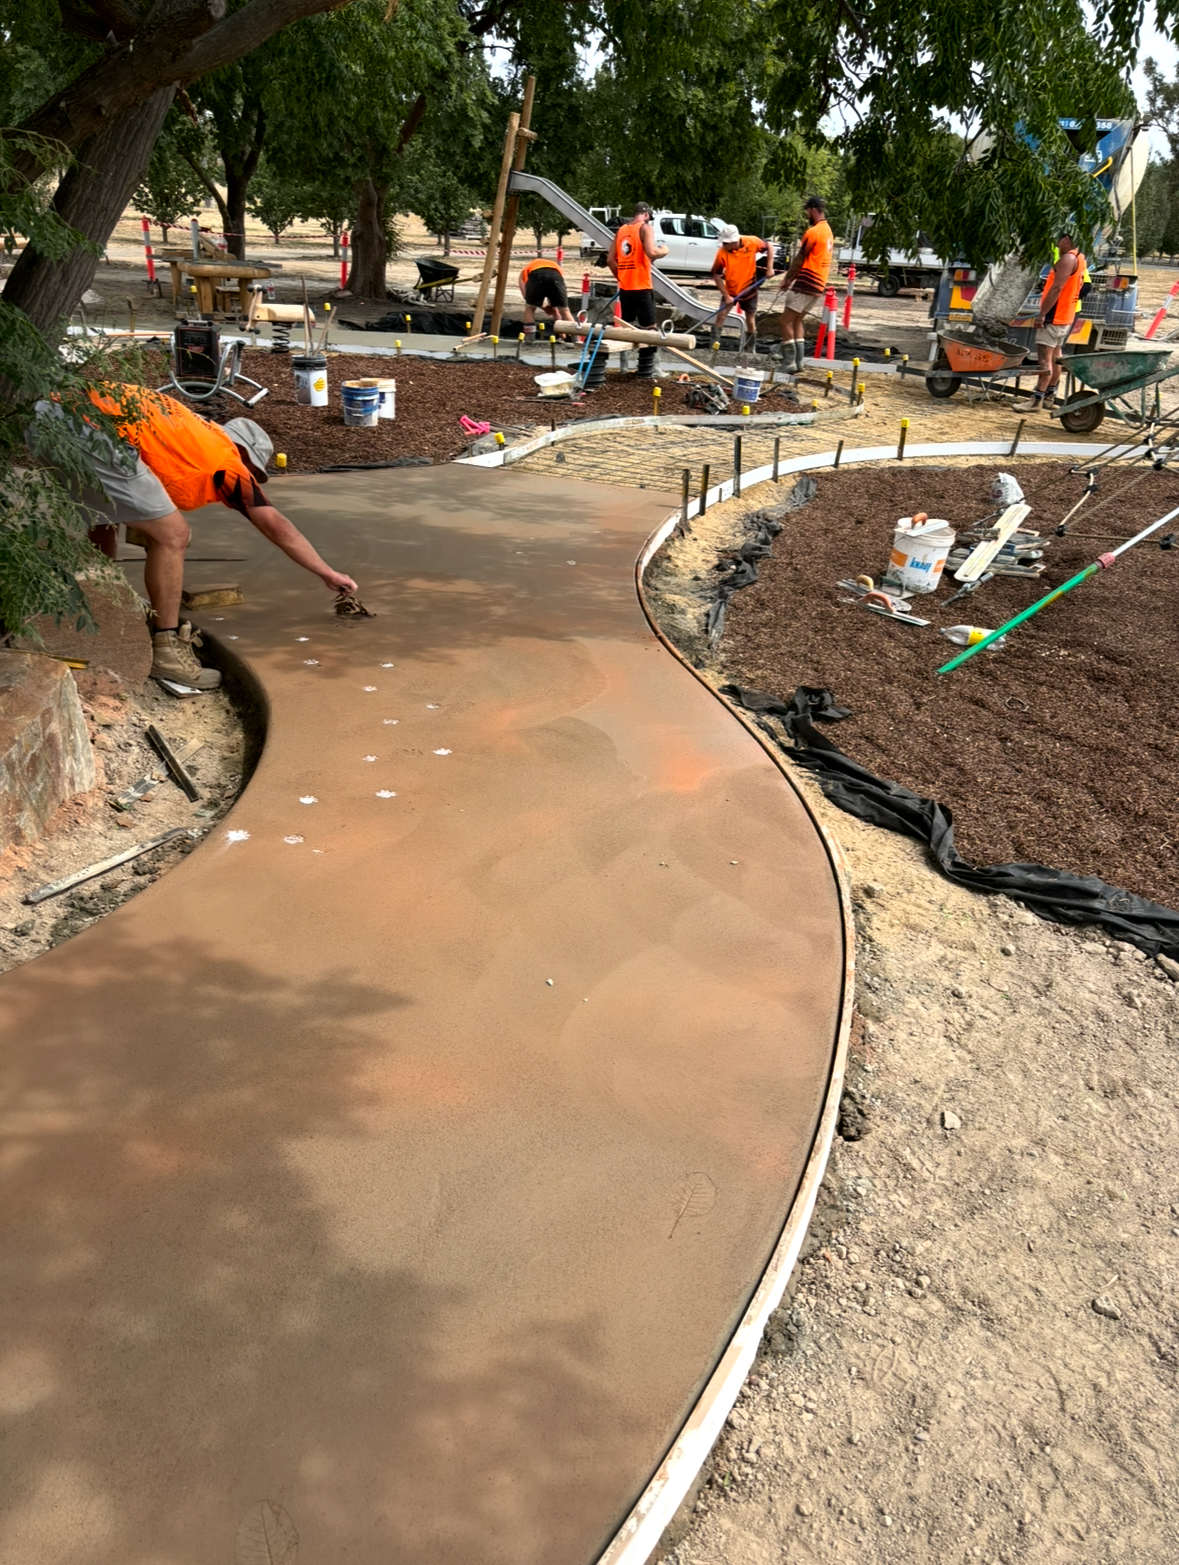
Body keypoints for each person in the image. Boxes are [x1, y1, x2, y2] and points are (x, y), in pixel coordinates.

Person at [39, 385, 358, 692]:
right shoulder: (226, 459)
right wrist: (327, 572)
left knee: (105, 510)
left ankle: (100, 595)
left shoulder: (189, 435)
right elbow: (275, 525)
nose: (250, 477)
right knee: (173, 534)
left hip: (48, 414)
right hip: (88, 427)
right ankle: (167, 647)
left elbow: (114, 507)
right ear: (244, 453)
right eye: (252, 470)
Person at [1017, 233, 1086, 412]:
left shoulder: (1067, 260)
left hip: (1054, 316)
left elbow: (1057, 288)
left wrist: (1042, 314)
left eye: (1058, 240)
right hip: (1065, 316)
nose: (1056, 244)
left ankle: (1036, 400)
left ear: (1066, 239)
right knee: (1056, 356)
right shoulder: (1080, 258)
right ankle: (1049, 395)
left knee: (1044, 359)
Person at [775, 196, 834, 372]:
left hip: (807, 281)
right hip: (819, 284)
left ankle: (789, 362)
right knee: (797, 320)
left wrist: (787, 279)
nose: (807, 215)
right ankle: (799, 362)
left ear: (813, 210)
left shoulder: (813, 232)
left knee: (785, 321)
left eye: (807, 211)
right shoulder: (828, 231)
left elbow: (801, 258)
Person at [711, 224, 774, 342]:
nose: (723, 245)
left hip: (749, 288)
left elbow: (769, 246)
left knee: (750, 320)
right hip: (731, 290)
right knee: (721, 316)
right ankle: (714, 346)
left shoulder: (751, 242)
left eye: (726, 243)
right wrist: (726, 296)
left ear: (734, 241)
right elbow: (716, 275)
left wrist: (769, 268)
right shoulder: (722, 252)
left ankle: (750, 347)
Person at [517, 257, 574, 337]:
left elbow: (527, 296)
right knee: (564, 310)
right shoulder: (554, 266)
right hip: (555, 276)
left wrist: (543, 307)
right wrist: (553, 310)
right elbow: (553, 299)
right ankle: (575, 338)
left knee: (530, 308)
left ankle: (529, 338)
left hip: (536, 276)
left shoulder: (524, 272)